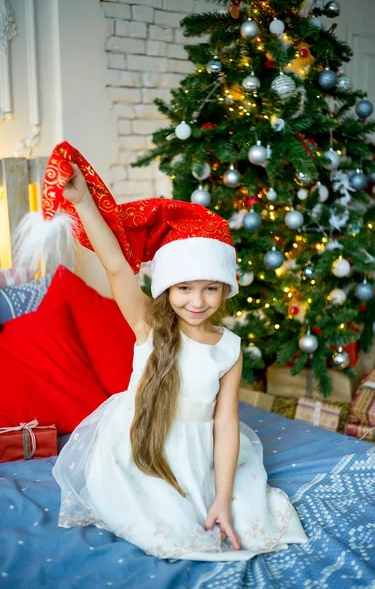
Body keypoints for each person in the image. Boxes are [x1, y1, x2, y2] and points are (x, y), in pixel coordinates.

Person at [51, 159, 307, 561]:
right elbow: (116, 266)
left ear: (226, 290)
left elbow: (225, 423)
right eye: (184, 287)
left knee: (243, 511)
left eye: (210, 288)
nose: (197, 301)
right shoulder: (148, 325)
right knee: (167, 529)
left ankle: (217, 500)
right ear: (167, 288)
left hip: (200, 451)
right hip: (142, 446)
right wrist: (83, 203)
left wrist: (221, 497)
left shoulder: (229, 347)